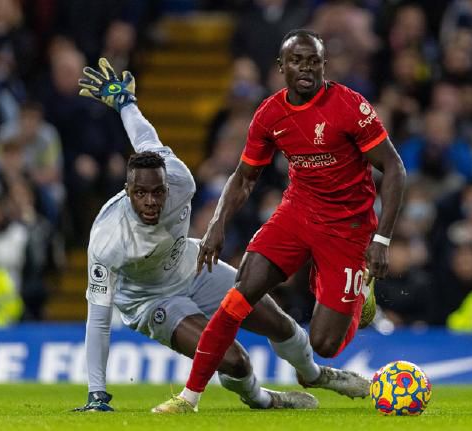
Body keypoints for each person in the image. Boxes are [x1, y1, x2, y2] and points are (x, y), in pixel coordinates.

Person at [73, 58, 371, 413]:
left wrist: (126, 103)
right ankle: (264, 399)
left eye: (158, 192)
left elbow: (145, 138)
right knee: (235, 361)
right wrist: (96, 393)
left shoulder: (180, 179)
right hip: (151, 301)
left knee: (279, 323)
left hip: (194, 266)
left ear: (168, 184)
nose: (151, 202)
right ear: (128, 190)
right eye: (141, 194)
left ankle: (314, 374)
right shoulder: (108, 239)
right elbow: (98, 318)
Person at [154, 29, 406, 413]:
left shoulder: (349, 107)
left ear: (324, 65)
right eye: (296, 61)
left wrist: (382, 240)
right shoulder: (271, 114)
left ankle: (359, 293)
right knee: (238, 296)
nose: (305, 68)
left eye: (313, 61)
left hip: (347, 228)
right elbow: (244, 177)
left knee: (324, 344)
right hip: (297, 214)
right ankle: (189, 398)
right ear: (281, 67)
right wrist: (217, 224)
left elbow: (394, 168)